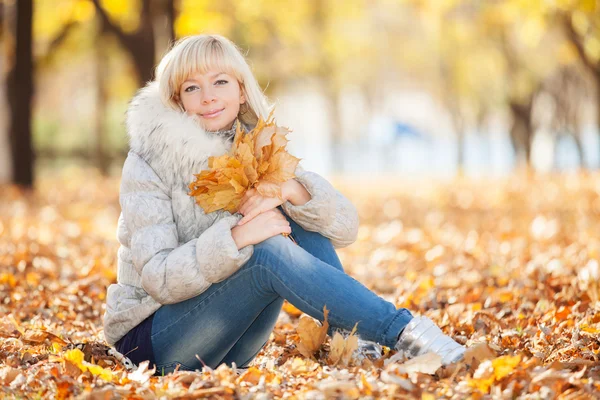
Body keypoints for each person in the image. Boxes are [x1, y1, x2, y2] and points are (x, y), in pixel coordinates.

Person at [103, 34, 465, 375]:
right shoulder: (149, 161)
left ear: (242, 91)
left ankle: (353, 339)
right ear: (177, 100)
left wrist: (292, 191)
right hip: (152, 345)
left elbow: (345, 229)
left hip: (228, 342)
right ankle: (408, 334)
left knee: (293, 218)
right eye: (192, 88)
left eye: (220, 82)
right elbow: (158, 278)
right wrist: (238, 236)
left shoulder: (256, 148)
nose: (208, 97)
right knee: (264, 249)